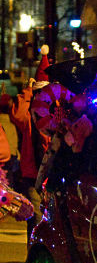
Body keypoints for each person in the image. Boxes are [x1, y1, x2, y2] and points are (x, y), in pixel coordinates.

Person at [10, 47, 52, 241]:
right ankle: (34, 259)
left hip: (51, 178)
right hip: (31, 177)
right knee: (35, 219)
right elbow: (17, 114)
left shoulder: (54, 114)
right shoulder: (28, 115)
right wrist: (29, 90)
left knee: (51, 222)